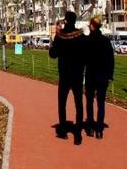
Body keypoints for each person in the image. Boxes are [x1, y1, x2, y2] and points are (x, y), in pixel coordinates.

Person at [49, 11, 87, 145]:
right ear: (75, 21)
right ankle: (77, 134)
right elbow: (86, 55)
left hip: (64, 74)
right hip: (77, 74)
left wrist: (53, 39)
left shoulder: (60, 36)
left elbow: (52, 54)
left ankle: (63, 131)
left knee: (62, 103)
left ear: (66, 20)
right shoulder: (81, 36)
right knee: (79, 104)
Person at [84, 17, 114, 139]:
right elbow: (111, 60)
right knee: (101, 103)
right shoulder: (106, 41)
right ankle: (99, 129)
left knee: (89, 102)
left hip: (91, 75)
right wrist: (110, 75)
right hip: (102, 76)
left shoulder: (87, 41)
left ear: (92, 26)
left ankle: (90, 127)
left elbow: (82, 59)